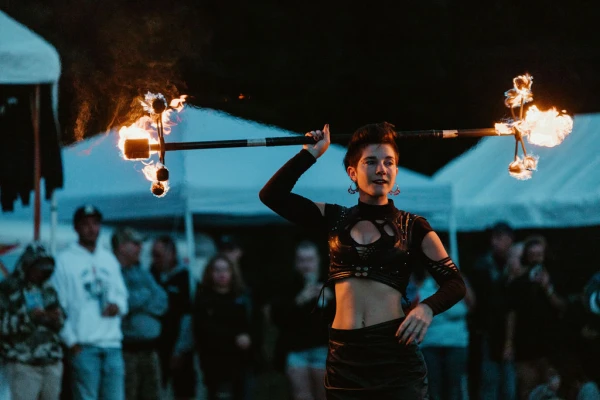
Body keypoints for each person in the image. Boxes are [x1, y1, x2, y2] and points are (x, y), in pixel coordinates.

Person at [259, 122, 466, 399]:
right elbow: (271, 195)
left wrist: (427, 308)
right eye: (371, 161)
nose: (381, 169)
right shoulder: (334, 219)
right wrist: (310, 153)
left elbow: (454, 283)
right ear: (352, 173)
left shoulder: (413, 226)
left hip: (394, 355)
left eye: (389, 162)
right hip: (344, 358)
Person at [51, 205, 129, 400]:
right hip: (84, 346)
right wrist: (71, 342)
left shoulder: (108, 259)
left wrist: (118, 307)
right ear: (76, 228)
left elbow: (122, 297)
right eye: (85, 224)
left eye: (95, 223)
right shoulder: (64, 260)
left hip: (112, 344)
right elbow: (57, 305)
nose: (91, 229)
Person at [0, 243, 65, 400]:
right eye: (39, 266)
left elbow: (61, 320)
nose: (43, 271)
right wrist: (31, 317)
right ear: (28, 264)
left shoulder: (48, 289)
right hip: (23, 363)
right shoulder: (8, 288)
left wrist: (56, 318)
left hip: (51, 362)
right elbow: (3, 326)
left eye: (47, 267)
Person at [271, 240, 334, 400]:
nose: (306, 265)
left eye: (310, 259)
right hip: (295, 349)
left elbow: (345, 318)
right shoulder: (286, 286)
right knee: (301, 396)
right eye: (302, 260)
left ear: (318, 260)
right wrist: (298, 301)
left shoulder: (331, 283)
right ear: (295, 262)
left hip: (323, 349)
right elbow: (277, 319)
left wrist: (332, 300)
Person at [112, 227, 168, 400]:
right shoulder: (112, 271)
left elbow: (162, 300)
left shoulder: (142, 272)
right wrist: (144, 295)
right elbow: (124, 303)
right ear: (122, 247)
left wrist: (139, 300)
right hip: (127, 351)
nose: (141, 248)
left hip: (149, 350)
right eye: (135, 244)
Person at [193, 254, 252, 400]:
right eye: (217, 270)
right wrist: (234, 337)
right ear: (210, 272)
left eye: (225, 269)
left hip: (242, 362)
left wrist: (249, 338)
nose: (221, 274)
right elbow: (203, 329)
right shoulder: (203, 298)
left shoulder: (242, 296)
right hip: (214, 362)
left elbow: (253, 323)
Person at [150, 235, 196, 400]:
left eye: (158, 255)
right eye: (153, 255)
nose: (155, 259)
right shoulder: (151, 276)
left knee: (182, 390)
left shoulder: (185, 279)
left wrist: (180, 349)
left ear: (172, 254)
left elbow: (189, 316)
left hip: (178, 344)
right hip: (156, 344)